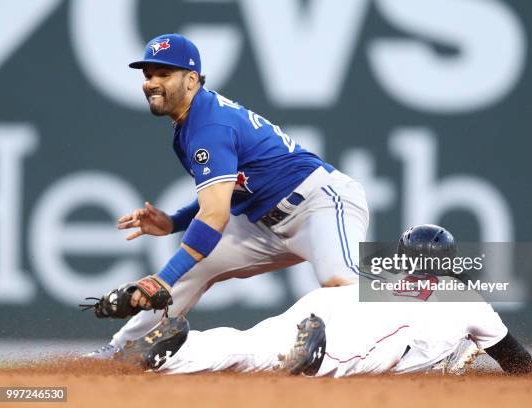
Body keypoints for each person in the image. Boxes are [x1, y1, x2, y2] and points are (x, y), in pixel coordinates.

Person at [86, 33, 369, 358]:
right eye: (148, 75)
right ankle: (119, 349)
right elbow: (224, 194)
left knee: (343, 283)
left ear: (191, 80)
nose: (152, 83)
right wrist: (174, 221)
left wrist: (161, 279)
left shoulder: (209, 127)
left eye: (164, 74)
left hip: (319, 204)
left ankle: (430, 287)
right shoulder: (187, 125)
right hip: (264, 225)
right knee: (191, 268)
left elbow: (215, 216)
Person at [115, 225, 532, 376]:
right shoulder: (462, 298)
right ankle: (314, 357)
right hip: (376, 329)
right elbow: (518, 363)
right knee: (283, 357)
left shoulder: (379, 273)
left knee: (254, 341)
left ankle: (171, 351)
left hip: (336, 300)